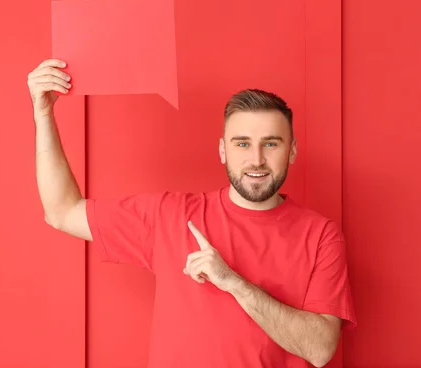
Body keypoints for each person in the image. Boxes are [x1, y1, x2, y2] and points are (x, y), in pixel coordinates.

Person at [27, 58, 356, 368]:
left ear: (292, 150)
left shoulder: (320, 235)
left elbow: (320, 350)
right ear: (222, 151)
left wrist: (233, 283)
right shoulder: (169, 215)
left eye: (271, 143)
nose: (256, 159)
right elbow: (62, 211)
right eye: (242, 144)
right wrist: (43, 114)